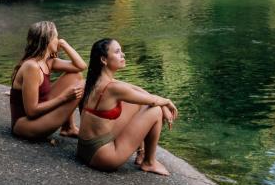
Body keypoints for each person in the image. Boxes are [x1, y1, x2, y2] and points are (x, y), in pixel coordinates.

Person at [77, 38, 179, 175]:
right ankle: (149, 162)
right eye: (118, 52)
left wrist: (163, 103)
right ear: (103, 60)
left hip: (84, 149)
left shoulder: (95, 81)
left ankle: (141, 154)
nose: (123, 55)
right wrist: (166, 102)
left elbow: (135, 89)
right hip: (103, 157)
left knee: (139, 102)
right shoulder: (113, 88)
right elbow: (153, 102)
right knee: (155, 111)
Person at [10, 21, 86, 140]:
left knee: (76, 76)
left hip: (40, 115)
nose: (58, 40)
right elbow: (31, 111)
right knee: (84, 85)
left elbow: (81, 66)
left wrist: (65, 45)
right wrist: (64, 97)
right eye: (56, 37)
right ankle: (89, 134)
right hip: (25, 124)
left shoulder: (48, 61)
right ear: (48, 40)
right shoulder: (32, 67)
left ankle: (68, 128)